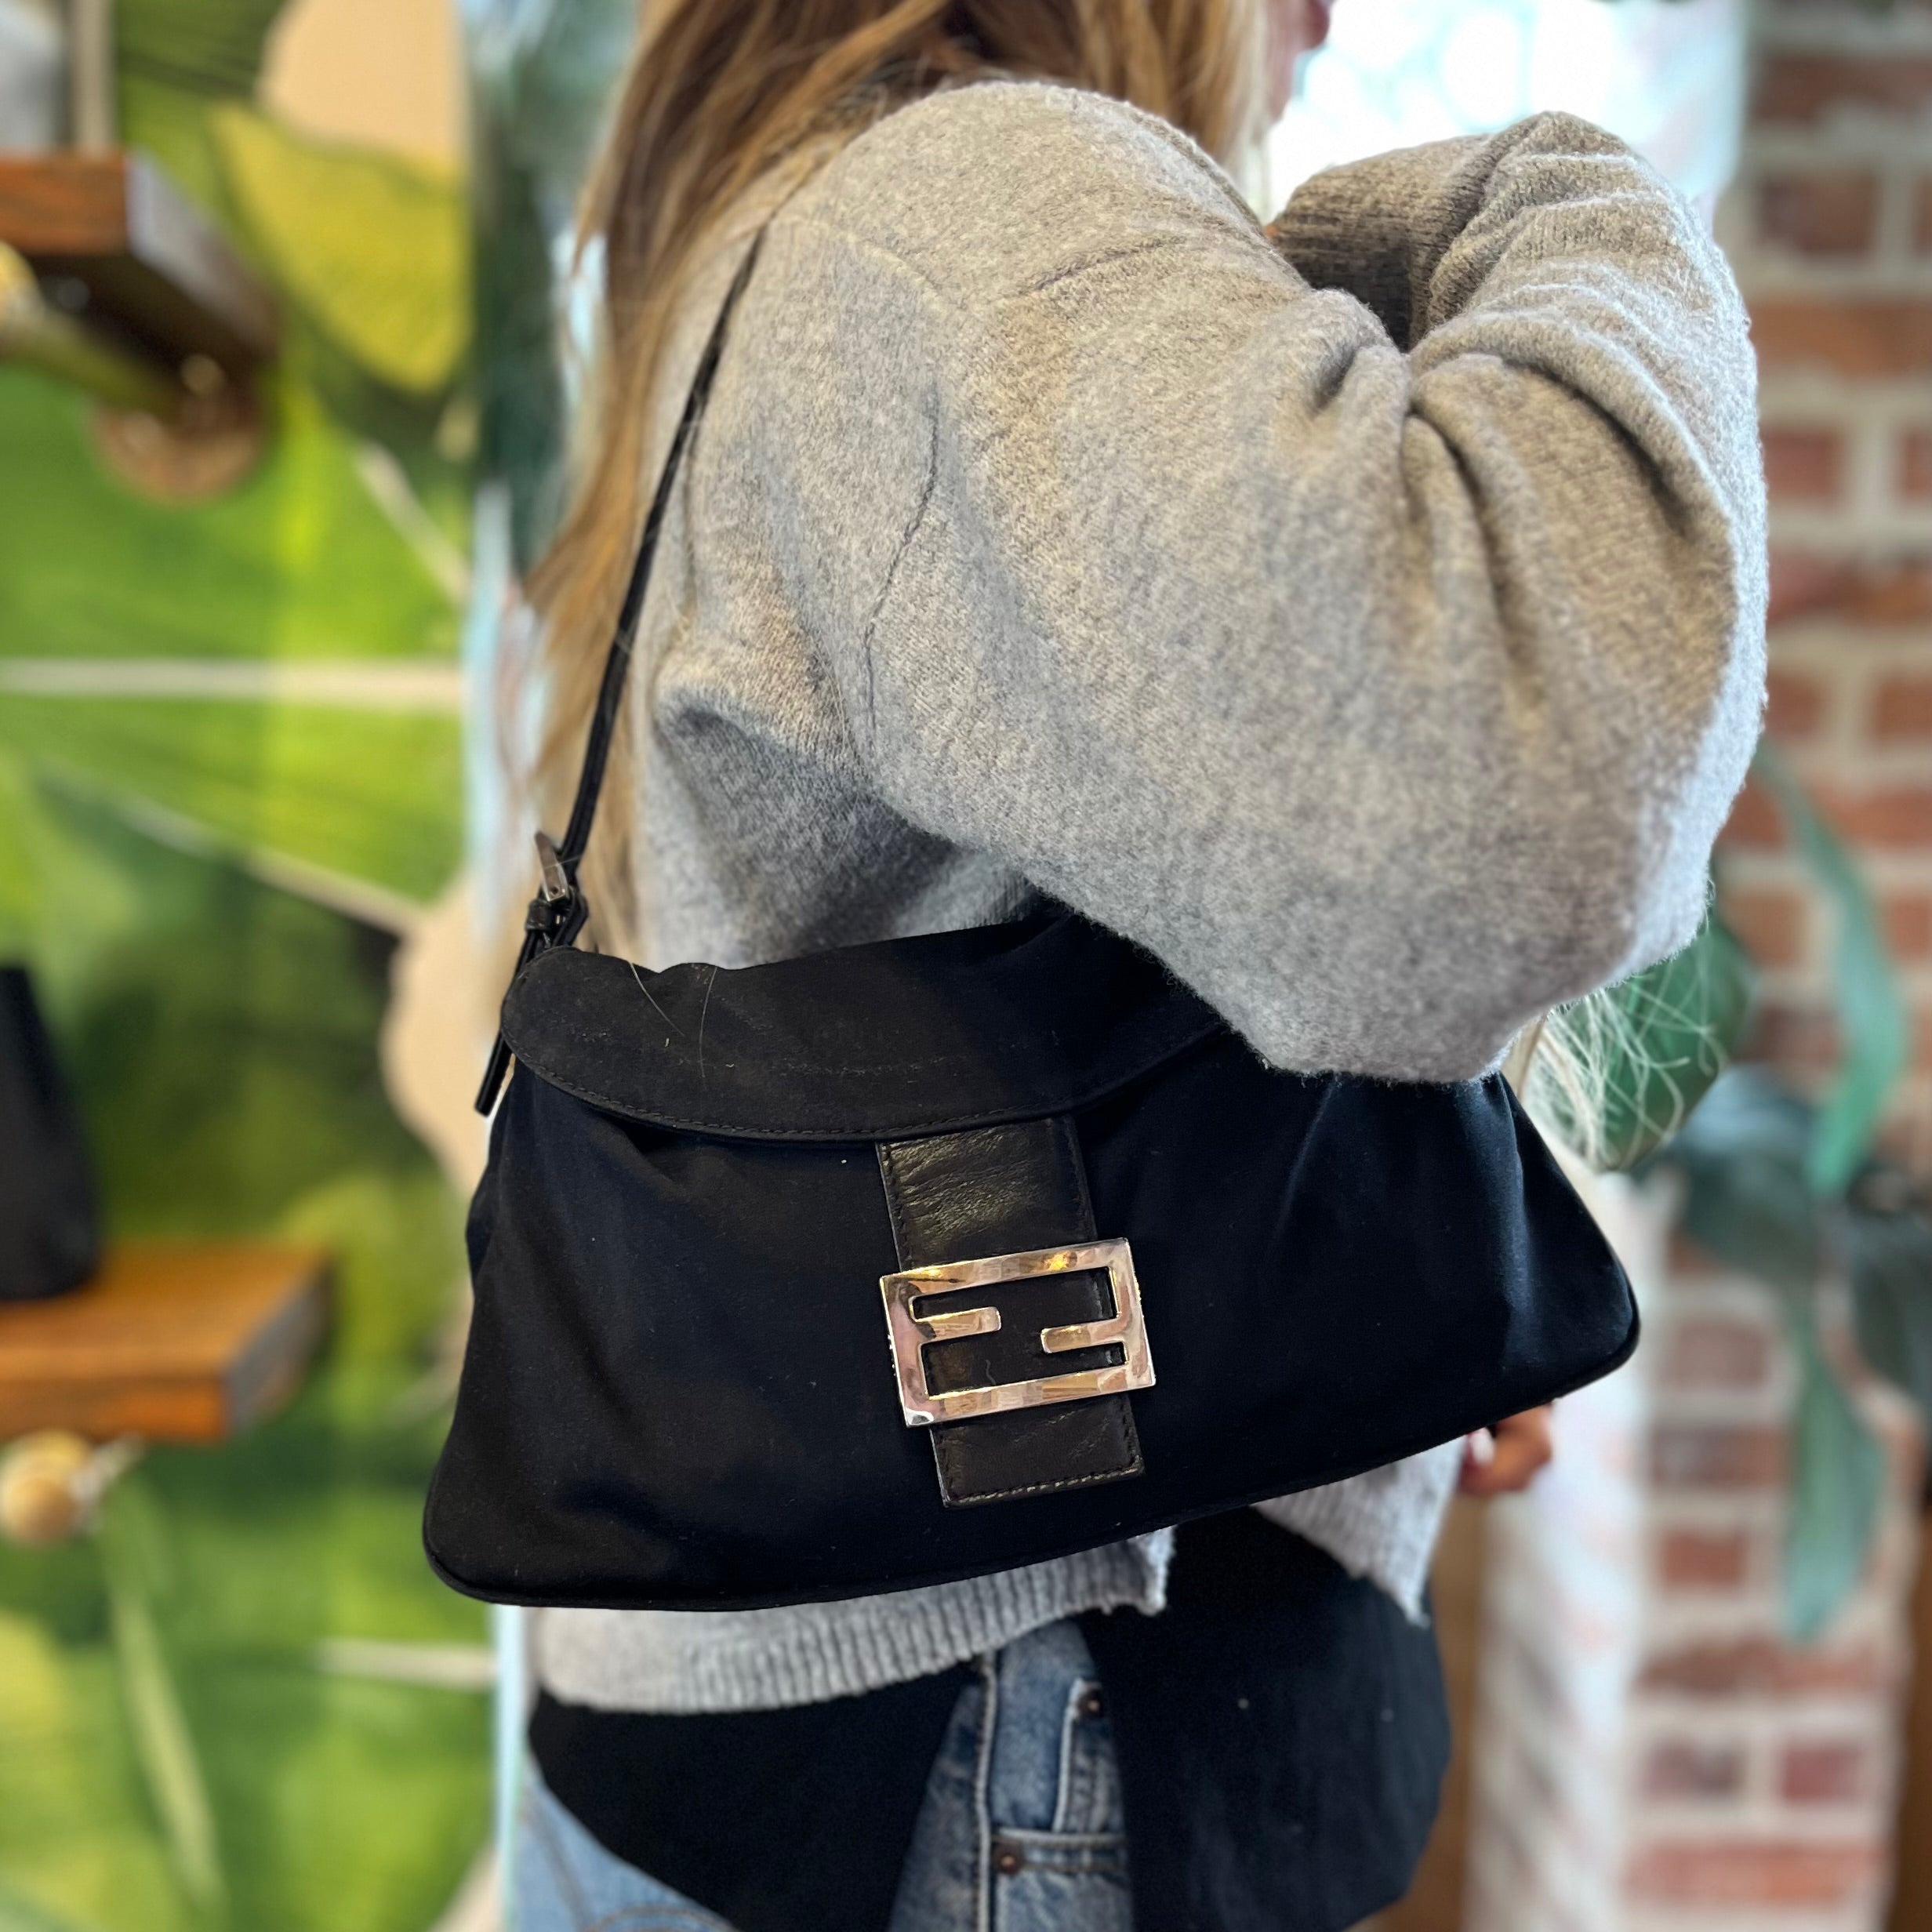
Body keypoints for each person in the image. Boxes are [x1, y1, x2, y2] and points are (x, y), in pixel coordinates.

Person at [506, 2, 1767, 1928]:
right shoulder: (966, 211)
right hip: (1004, 1742)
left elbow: (967, 963)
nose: (1322, 16)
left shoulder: (798, 231)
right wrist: (1554, 197)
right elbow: (1522, 798)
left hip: (787, 1716)